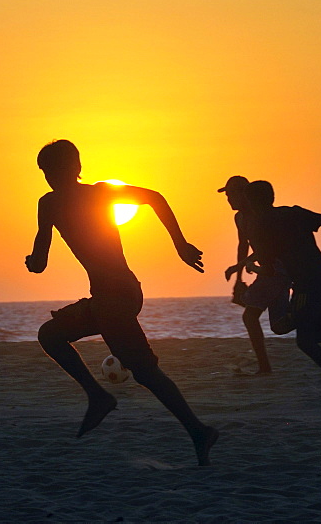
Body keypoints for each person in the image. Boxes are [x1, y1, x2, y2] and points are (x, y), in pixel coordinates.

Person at [26, 140, 219, 465]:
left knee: (145, 371)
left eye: (55, 169)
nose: (50, 177)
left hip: (120, 296)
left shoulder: (100, 193)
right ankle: (98, 395)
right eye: (45, 172)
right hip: (102, 301)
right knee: (50, 335)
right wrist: (33, 261)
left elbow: (154, 198)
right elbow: (41, 259)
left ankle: (199, 431)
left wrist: (181, 245)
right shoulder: (48, 204)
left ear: (75, 168)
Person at [226, 180, 321, 397]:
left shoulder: (260, 227)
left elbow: (270, 270)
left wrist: (250, 267)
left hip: (307, 285)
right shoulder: (292, 212)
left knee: (305, 341)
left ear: (250, 201)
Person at [218, 175, 284, 373]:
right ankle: (319, 306)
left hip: (277, 268)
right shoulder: (239, 217)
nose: (228, 199)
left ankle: (265, 367)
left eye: (230, 194)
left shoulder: (260, 214)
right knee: (280, 325)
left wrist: (244, 264)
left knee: (250, 316)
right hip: (266, 269)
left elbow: (270, 246)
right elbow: (243, 244)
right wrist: (238, 276)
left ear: (242, 194)